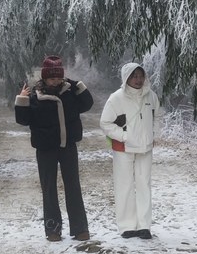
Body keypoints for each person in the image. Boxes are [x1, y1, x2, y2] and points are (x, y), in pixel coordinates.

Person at [15, 55, 94, 242]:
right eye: (51, 78)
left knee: (73, 186)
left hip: (68, 146)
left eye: (58, 77)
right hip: (45, 149)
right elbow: (23, 120)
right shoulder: (35, 96)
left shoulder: (70, 92)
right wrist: (22, 100)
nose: (55, 81)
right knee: (49, 188)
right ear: (44, 78)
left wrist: (79, 86)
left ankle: (80, 228)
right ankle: (53, 229)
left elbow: (87, 104)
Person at [100, 62, 160, 239]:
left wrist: (152, 134)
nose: (138, 80)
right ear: (126, 77)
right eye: (134, 76)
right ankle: (127, 226)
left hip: (145, 148)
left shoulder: (151, 97)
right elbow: (105, 123)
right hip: (123, 148)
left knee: (144, 185)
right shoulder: (116, 98)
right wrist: (125, 136)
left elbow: (158, 116)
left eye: (141, 76)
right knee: (124, 185)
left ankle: (144, 226)